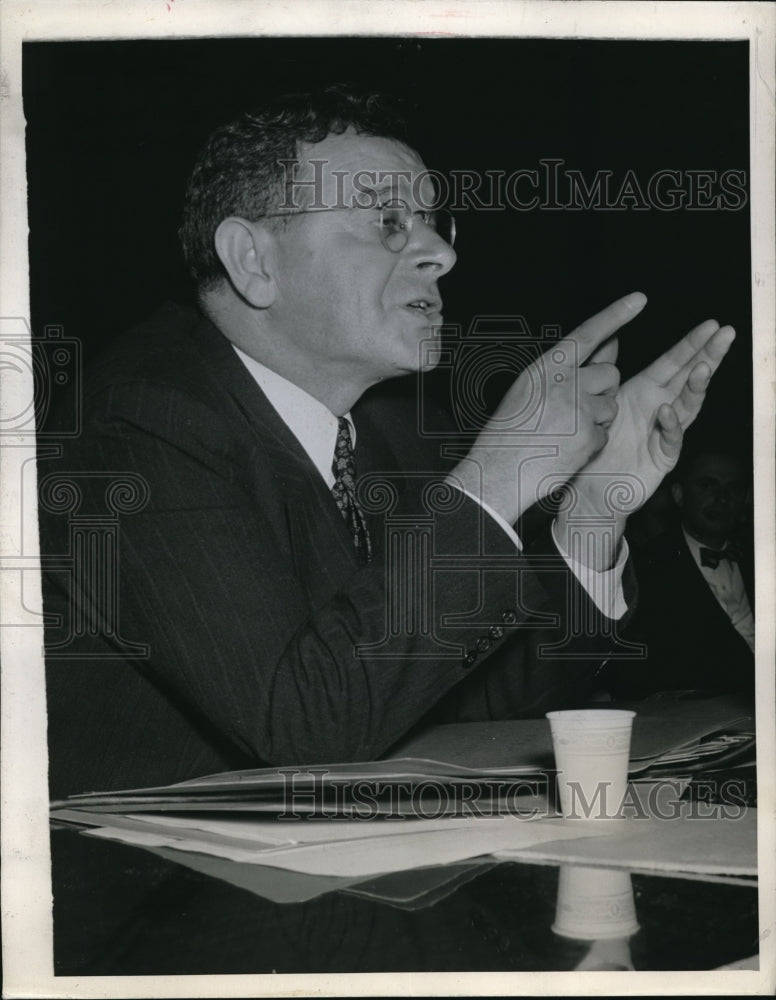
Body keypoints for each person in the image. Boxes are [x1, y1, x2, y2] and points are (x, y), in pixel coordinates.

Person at [38, 87, 735, 797]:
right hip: (147, 890)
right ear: (253, 261)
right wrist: (496, 474)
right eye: (388, 221)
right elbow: (305, 728)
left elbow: (484, 707)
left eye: (435, 224)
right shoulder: (138, 422)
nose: (440, 253)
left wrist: (593, 508)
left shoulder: (388, 431)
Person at [605, 449, 754, 698]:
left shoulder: (761, 557)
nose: (722, 499)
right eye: (708, 485)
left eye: (734, 488)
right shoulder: (642, 569)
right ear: (679, 495)